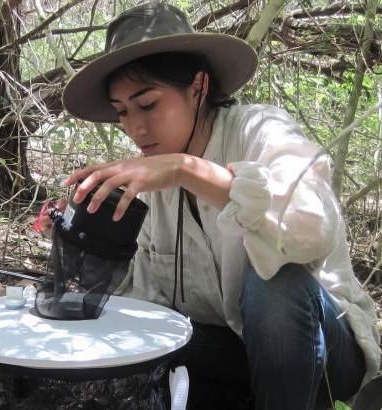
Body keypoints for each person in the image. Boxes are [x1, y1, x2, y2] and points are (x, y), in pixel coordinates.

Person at [40, 2, 380, 409]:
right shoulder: (146, 186)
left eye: (147, 104)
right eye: (122, 113)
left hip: (325, 349)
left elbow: (311, 229)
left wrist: (187, 170)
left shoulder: (260, 129)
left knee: (276, 285)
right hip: (231, 355)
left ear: (198, 87)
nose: (135, 127)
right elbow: (144, 303)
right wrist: (89, 240)